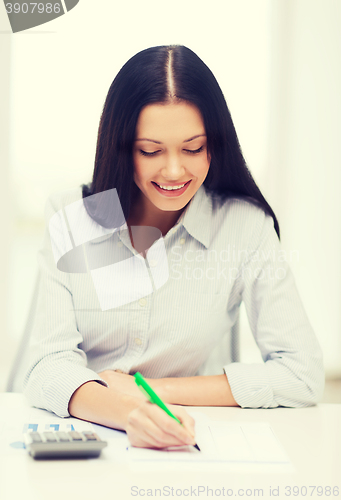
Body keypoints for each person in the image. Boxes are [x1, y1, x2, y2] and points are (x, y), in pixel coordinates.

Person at [23, 45, 324, 449]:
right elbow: (47, 366)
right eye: (150, 151)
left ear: (215, 144)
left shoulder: (246, 227)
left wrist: (152, 392)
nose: (174, 171)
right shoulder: (69, 218)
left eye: (193, 148)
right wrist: (129, 414)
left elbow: (301, 374)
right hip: (86, 439)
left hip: (187, 438)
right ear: (122, 147)